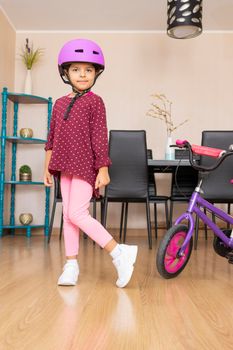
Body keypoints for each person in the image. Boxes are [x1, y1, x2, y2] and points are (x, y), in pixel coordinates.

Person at [44, 38, 138, 288]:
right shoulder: (60, 104)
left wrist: (103, 168)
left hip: (86, 165)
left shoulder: (95, 102)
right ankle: (71, 265)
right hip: (63, 165)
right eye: (76, 69)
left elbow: (99, 135)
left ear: (97, 72)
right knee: (68, 215)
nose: (82, 74)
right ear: (66, 72)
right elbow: (51, 138)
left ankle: (119, 253)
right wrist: (46, 167)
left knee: (77, 212)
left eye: (88, 69)